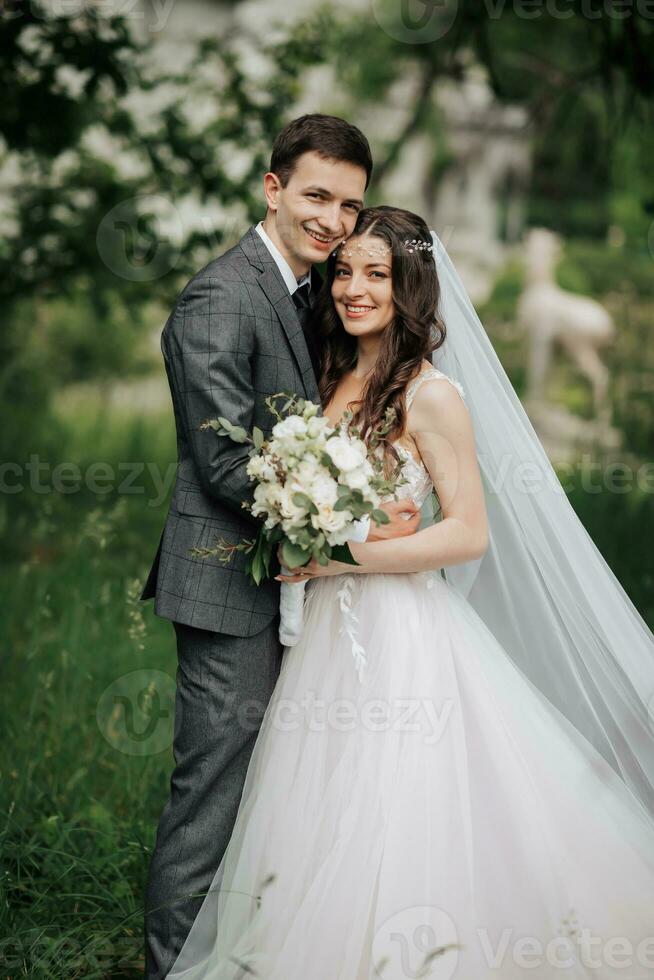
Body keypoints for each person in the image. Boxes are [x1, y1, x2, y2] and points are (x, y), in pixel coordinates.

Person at [166, 206, 654, 979]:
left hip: (398, 633)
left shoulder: (433, 395)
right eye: (345, 272)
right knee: (313, 796)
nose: (354, 289)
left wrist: (343, 554)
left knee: (393, 801)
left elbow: (466, 533)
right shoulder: (327, 372)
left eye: (377, 274)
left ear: (412, 286)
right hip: (320, 629)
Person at [139, 118, 422, 979]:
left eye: (350, 203)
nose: (335, 220)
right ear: (272, 188)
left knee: (277, 794)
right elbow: (226, 460)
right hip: (229, 585)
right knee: (213, 796)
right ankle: (171, 969)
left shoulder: (307, 290)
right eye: (316, 196)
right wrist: (352, 528)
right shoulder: (222, 296)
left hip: (294, 584)